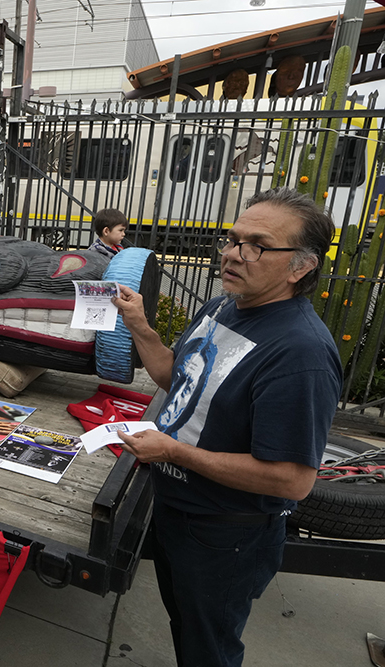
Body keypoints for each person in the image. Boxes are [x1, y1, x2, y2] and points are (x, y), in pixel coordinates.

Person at [111, 188, 341, 667]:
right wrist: (138, 324)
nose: (234, 254)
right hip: (177, 511)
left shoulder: (300, 353)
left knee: (208, 648)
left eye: (257, 245)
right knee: (186, 625)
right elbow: (177, 378)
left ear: (301, 267)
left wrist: (175, 452)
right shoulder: (224, 306)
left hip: (225, 535)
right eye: (232, 239)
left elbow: (292, 480)